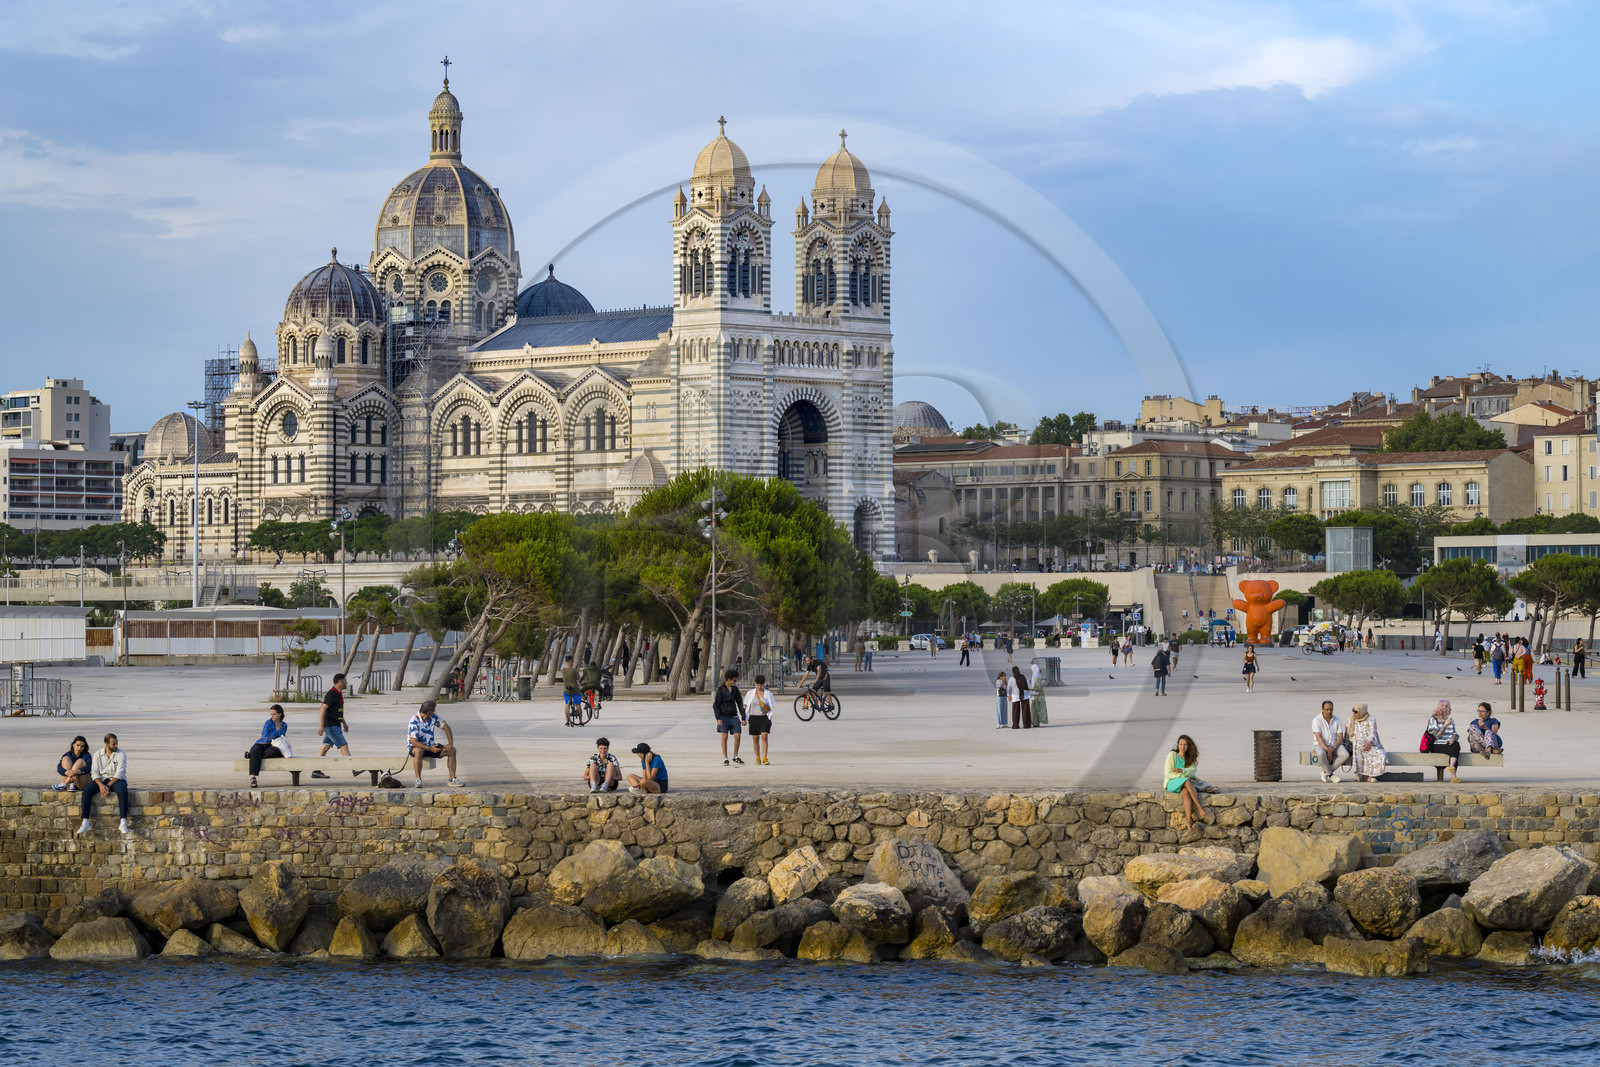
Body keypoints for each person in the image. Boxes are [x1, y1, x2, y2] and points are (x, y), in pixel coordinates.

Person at [77, 733, 131, 835]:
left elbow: (120, 773)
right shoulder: (97, 754)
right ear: (106, 744)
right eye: (113, 744)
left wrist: (107, 786)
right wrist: (101, 786)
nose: (116, 746)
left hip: (116, 780)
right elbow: (94, 773)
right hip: (101, 780)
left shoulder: (121, 754)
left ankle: (123, 821)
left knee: (122, 791)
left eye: (116, 743)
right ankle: (85, 821)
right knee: (86, 792)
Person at [407, 700, 461, 788]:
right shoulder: (414, 720)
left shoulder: (434, 717)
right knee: (418, 751)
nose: (434, 712)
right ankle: (418, 780)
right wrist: (429, 748)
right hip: (416, 747)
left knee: (452, 751)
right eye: (433, 711)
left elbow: (447, 728)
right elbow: (414, 741)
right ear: (429, 713)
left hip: (431, 746)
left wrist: (450, 744)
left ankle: (452, 779)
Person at [1164, 735, 1210, 831]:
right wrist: (1183, 776)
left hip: (1183, 782)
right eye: (1181, 744)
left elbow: (1192, 772)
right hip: (1171, 782)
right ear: (1178, 745)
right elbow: (1168, 773)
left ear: (1188, 746)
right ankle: (1199, 806)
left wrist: (1180, 770)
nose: (1183, 747)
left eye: (1185, 745)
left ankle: (1189, 821)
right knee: (1187, 780)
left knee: (1186, 793)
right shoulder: (1172, 755)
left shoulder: (1190, 758)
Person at [313, 673, 351, 773]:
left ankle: (316, 771)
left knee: (325, 747)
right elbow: (322, 709)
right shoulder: (332, 694)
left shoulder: (337, 694)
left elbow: (337, 711)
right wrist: (321, 726)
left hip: (334, 725)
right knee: (344, 746)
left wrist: (344, 723)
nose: (347, 682)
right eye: (345, 681)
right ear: (340, 682)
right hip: (331, 726)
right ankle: (353, 768)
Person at [245, 704, 289, 787]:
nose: (272, 716)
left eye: (274, 714)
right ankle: (253, 778)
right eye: (271, 714)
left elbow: (281, 736)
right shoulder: (268, 722)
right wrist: (277, 734)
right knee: (255, 750)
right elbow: (265, 736)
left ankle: (251, 755)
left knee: (274, 751)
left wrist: (273, 734)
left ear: (279, 714)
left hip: (273, 746)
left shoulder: (284, 725)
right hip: (262, 743)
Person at [1311, 700, 1351, 782]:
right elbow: (1319, 738)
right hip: (1320, 745)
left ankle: (1325, 772)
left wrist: (1334, 746)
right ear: (1322, 709)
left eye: (1331, 709)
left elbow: (1340, 737)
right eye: (1327, 709)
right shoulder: (1316, 720)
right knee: (1321, 753)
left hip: (1334, 744)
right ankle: (1331, 775)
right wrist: (1327, 750)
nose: (1329, 711)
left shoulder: (1337, 719)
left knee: (1345, 754)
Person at [1425, 699, 1463, 783]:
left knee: (1456, 745)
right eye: (1449, 708)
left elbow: (1455, 734)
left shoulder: (1451, 720)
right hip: (1437, 745)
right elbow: (1437, 736)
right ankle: (1453, 775)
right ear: (1443, 709)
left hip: (1448, 744)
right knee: (1454, 750)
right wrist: (1444, 726)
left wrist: (1453, 738)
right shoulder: (1433, 720)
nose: (1451, 709)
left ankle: (1451, 767)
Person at [712, 668, 745, 766]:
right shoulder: (721, 689)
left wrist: (743, 717)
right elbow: (716, 705)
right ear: (728, 679)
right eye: (734, 680)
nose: (736, 681)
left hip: (734, 716)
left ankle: (735, 755)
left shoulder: (735, 689)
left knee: (737, 736)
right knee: (724, 736)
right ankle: (725, 758)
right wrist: (718, 718)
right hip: (723, 716)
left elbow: (739, 703)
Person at [1348, 703, 1387, 782]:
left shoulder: (1370, 718)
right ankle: (1363, 776)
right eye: (1353, 711)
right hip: (1356, 744)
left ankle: (1371, 776)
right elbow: (1348, 735)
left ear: (1362, 711)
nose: (1354, 713)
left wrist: (1369, 743)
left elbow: (1373, 732)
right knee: (1360, 750)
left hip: (1371, 743)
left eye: (1356, 712)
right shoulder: (1350, 720)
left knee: (1380, 754)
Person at [745, 675, 775, 765]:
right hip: (753, 717)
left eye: (761, 685)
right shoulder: (750, 693)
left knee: (764, 736)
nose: (759, 687)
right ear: (755, 683)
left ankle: (765, 757)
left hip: (764, 718)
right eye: (758, 685)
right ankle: (757, 758)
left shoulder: (768, 694)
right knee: (755, 739)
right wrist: (744, 718)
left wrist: (770, 717)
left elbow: (771, 706)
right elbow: (746, 705)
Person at [561, 654, 583, 726]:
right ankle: (580, 721)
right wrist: (577, 671)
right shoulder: (574, 670)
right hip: (575, 690)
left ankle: (567, 722)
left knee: (567, 704)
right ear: (571, 662)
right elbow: (578, 678)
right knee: (578, 705)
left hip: (566, 690)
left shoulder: (563, 670)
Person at [1009, 665, 1033, 729]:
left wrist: (1009, 695)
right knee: (1025, 711)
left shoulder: (1011, 679)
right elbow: (1026, 686)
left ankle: (1015, 725)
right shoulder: (1022, 676)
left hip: (1015, 696)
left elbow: (1009, 688)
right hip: (1024, 695)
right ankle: (1026, 724)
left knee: (1015, 711)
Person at [1029, 660, 1049, 725]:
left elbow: (1038, 688)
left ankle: (1035, 722)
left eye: (1031, 669)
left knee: (1034, 710)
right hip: (1036, 695)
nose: (1031, 670)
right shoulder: (1036, 676)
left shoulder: (1037, 678)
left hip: (1037, 696)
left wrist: (1030, 689)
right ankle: (1035, 722)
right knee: (1035, 710)